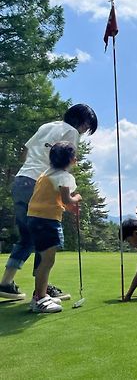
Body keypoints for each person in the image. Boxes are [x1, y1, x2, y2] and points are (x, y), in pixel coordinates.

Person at [0, 104, 97, 301]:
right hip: (40, 184)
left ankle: (5, 283)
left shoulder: (47, 126)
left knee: (27, 237)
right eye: (87, 127)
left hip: (21, 180)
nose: (85, 131)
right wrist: (69, 192)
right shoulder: (71, 132)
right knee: (44, 235)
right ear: (82, 122)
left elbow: (25, 152)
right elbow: (65, 165)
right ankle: (41, 291)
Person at [28, 141, 82, 313]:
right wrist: (77, 198)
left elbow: (56, 199)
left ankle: (41, 294)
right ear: (73, 160)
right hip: (47, 220)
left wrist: (67, 205)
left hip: (35, 218)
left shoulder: (45, 174)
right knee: (47, 260)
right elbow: (67, 199)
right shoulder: (64, 177)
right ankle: (40, 299)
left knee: (43, 258)